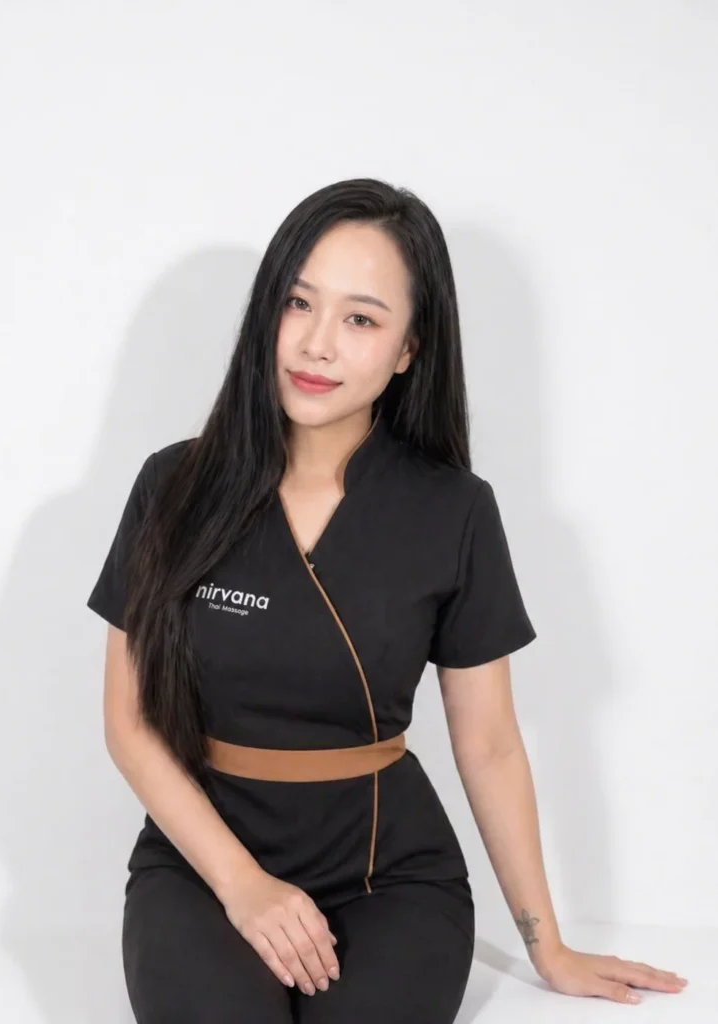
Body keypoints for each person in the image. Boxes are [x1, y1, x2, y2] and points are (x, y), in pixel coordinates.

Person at [86, 178, 688, 1022]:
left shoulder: (453, 510)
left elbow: (488, 745)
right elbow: (131, 721)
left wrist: (546, 944)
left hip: (390, 877)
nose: (317, 344)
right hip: (203, 867)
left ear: (408, 349)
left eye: (361, 320)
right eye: (298, 303)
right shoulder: (172, 485)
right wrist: (244, 885)